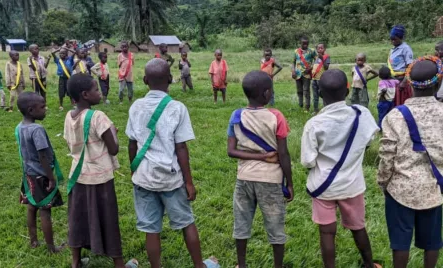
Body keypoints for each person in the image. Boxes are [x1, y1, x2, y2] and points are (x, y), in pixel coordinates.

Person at [126, 58, 220, 268]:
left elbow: (131, 144)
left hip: (144, 177)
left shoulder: (136, 107)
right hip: (171, 179)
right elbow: (181, 148)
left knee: (151, 229)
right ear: (170, 79)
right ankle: (199, 265)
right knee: (186, 222)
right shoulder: (177, 108)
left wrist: (134, 169)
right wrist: (189, 182)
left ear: (144, 80)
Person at [301, 69, 381, 268]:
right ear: (347, 91)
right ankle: (369, 264)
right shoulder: (362, 114)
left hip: (323, 187)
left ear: (319, 93)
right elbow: (370, 139)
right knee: (358, 228)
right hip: (352, 185)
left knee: (327, 232)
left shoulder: (314, 124)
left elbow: (308, 161)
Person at [64, 73, 138, 268]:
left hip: (78, 176)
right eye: (96, 89)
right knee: (108, 217)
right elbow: (113, 148)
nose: (100, 92)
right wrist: (112, 131)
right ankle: (119, 263)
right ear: (85, 94)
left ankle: (76, 262)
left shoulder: (69, 116)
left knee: (78, 218)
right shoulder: (98, 116)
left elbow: (71, 143)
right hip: (100, 178)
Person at [378, 57, 443, 268]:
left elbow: (387, 155)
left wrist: (383, 183)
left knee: (400, 242)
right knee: (432, 241)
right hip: (434, 189)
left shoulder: (395, 116)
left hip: (400, 189)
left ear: (410, 83)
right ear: (438, 83)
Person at [227, 71, 294, 268]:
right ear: (266, 94)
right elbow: (283, 154)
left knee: (241, 222)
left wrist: (256, 156)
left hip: (244, 178)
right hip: (271, 180)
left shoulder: (236, 115)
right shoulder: (276, 116)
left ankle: (241, 264)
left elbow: (231, 151)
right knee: (275, 225)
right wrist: (289, 183)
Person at [15, 92, 64, 253]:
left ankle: (34, 241)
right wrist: (51, 177)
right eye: (42, 107)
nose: (45, 109)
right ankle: (51, 248)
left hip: (28, 175)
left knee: (31, 207)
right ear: (31, 110)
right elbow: (42, 155)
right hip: (41, 176)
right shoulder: (37, 130)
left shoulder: (20, 127)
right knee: (45, 211)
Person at [388, 25, 414, 106]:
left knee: (402, 103)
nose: (392, 41)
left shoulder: (406, 49)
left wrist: (404, 82)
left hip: (402, 81)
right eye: (391, 39)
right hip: (393, 81)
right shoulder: (392, 49)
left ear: (401, 38)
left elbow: (410, 67)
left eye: (395, 39)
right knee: (394, 103)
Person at [292, 36, 317, 112]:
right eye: (303, 44)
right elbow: (293, 62)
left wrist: (311, 68)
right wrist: (293, 71)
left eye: (307, 44)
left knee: (306, 91)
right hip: (297, 74)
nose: (305, 45)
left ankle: (307, 107)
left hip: (307, 74)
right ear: (300, 43)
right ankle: (300, 105)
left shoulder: (312, 51)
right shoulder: (296, 51)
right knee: (299, 91)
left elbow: (317, 61)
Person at [311, 44, 330, 113]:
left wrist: (322, 59)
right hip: (314, 79)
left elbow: (326, 67)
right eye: (318, 48)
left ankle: (326, 109)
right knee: (315, 96)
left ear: (324, 49)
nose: (320, 49)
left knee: (323, 94)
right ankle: (316, 110)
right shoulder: (316, 58)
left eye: (321, 48)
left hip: (321, 79)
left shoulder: (326, 57)